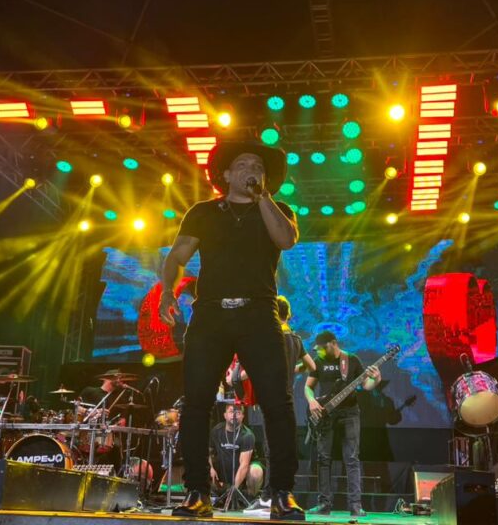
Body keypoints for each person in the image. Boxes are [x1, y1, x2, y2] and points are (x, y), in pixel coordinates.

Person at [159, 141, 304, 520]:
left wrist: (263, 197)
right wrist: (166, 292)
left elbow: (286, 239)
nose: (251, 169)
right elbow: (177, 255)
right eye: (242, 164)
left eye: (257, 166)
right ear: (225, 174)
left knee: (277, 403)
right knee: (196, 404)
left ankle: (282, 493)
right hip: (210, 315)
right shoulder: (203, 212)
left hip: (259, 314)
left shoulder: (277, 209)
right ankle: (197, 493)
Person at [242, 294, 316, 514]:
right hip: (288, 399)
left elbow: (253, 370)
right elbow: (312, 366)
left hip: (270, 398)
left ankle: (268, 497)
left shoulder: (270, 337)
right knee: (283, 448)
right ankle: (278, 494)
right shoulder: (296, 339)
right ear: (288, 314)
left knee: (270, 448)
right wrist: (293, 369)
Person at [304, 331, 381, 516]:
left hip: (350, 413)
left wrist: (376, 379)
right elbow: (308, 386)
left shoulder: (351, 360)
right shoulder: (318, 361)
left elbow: (366, 385)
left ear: (333, 343)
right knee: (323, 459)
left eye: (323, 348)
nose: (320, 352)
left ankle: (355, 505)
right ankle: (324, 504)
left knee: (352, 459)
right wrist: (311, 400)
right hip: (325, 415)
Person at [210, 404, 264, 502]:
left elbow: (244, 465)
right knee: (204, 467)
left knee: (256, 471)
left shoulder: (247, 435)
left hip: (243, 475)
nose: (234, 415)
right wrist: (211, 468)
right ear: (225, 415)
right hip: (222, 472)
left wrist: (234, 489)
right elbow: (208, 452)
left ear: (242, 416)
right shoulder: (216, 431)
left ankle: (249, 499)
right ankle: (215, 496)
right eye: (231, 412)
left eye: (238, 413)